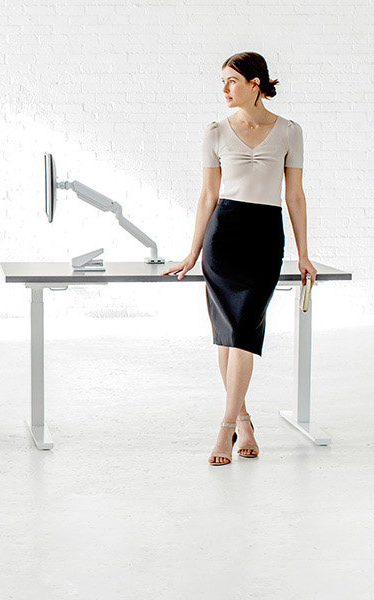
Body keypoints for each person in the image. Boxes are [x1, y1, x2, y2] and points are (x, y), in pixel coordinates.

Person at [162, 52, 317, 465]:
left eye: (232, 81)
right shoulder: (214, 132)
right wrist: (192, 252)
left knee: (246, 329)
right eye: (223, 81)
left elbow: (294, 196)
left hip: (265, 237)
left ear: (255, 83)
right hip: (223, 238)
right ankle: (242, 420)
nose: (225, 89)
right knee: (229, 334)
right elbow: (208, 197)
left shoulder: (288, 131)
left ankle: (225, 427)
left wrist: (304, 254)